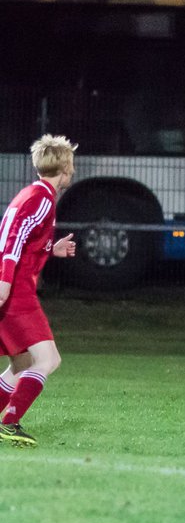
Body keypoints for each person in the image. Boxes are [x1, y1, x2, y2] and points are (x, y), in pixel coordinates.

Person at [0, 134, 79, 447]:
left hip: (14, 288)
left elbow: (24, 238)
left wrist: (50, 248)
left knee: (20, 364)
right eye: (71, 165)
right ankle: (11, 422)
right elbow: (13, 241)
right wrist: (5, 283)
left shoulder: (34, 194)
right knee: (48, 360)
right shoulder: (41, 199)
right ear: (63, 168)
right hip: (16, 291)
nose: (73, 171)